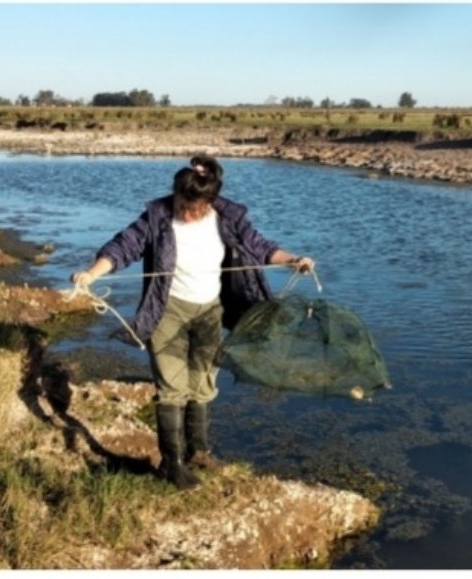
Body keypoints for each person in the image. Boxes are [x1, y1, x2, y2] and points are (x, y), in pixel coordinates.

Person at [71, 155, 315, 490]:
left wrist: (294, 261)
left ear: (210, 202)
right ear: (175, 195)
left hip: (210, 312)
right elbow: (122, 247)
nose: (187, 213)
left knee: (202, 384)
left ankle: (198, 452)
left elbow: (260, 247)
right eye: (183, 204)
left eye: (196, 207)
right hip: (167, 311)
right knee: (173, 387)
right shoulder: (156, 217)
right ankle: (172, 465)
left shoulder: (229, 218)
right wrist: (91, 273)